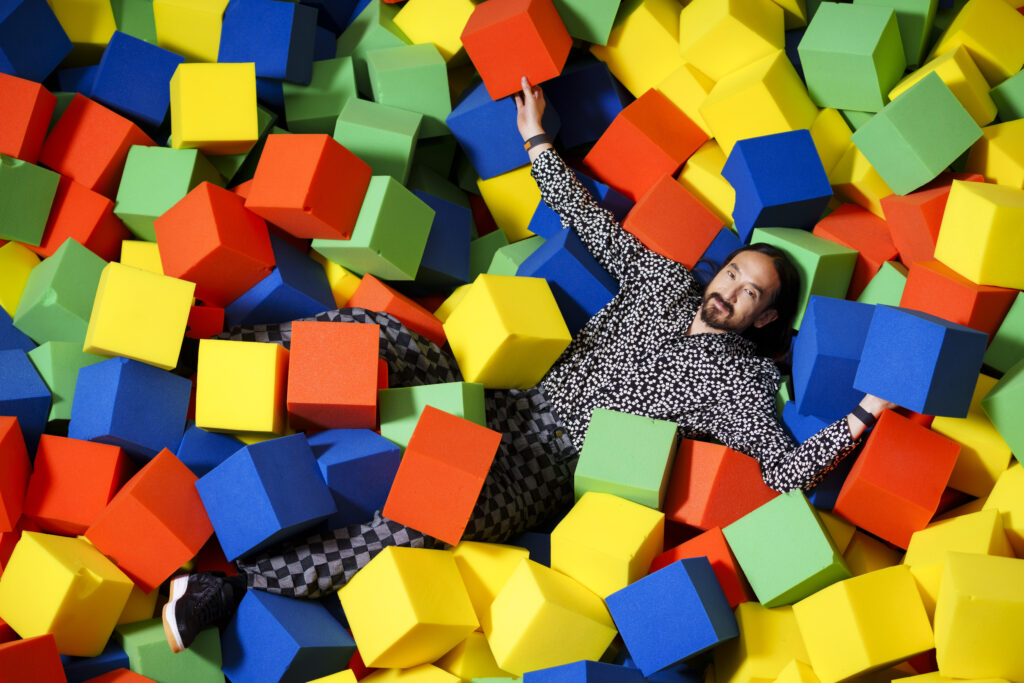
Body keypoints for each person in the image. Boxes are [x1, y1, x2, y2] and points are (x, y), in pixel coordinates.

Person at [163, 77, 895, 653]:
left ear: (765, 316)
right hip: (508, 397)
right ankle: (211, 362)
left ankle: (224, 588)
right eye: (734, 272)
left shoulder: (743, 383)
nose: (731, 290)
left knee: (419, 521)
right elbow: (593, 226)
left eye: (751, 292)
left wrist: (864, 414)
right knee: (376, 329)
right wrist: (538, 140)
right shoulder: (665, 280)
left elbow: (784, 465)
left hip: (543, 469)